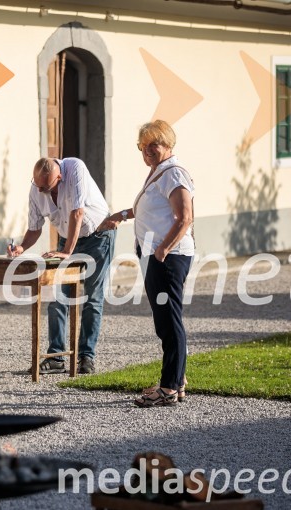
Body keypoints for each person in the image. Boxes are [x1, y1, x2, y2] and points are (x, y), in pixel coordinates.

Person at [98, 120, 194, 406]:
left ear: (168, 145)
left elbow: (185, 217)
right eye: (143, 145)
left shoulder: (173, 174)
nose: (148, 150)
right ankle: (177, 380)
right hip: (157, 254)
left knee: (168, 320)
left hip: (168, 256)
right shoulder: (159, 173)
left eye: (155, 144)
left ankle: (168, 387)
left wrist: (163, 249)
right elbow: (153, 210)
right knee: (165, 319)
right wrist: (123, 214)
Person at [8, 157, 115, 375]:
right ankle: (56, 356)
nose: (42, 191)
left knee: (92, 297)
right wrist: (21, 248)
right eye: (38, 186)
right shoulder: (36, 189)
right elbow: (35, 227)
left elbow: (77, 213)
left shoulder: (75, 168)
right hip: (67, 241)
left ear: (59, 177)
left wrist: (67, 251)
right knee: (58, 297)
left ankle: (86, 357)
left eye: (46, 188)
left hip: (98, 236)